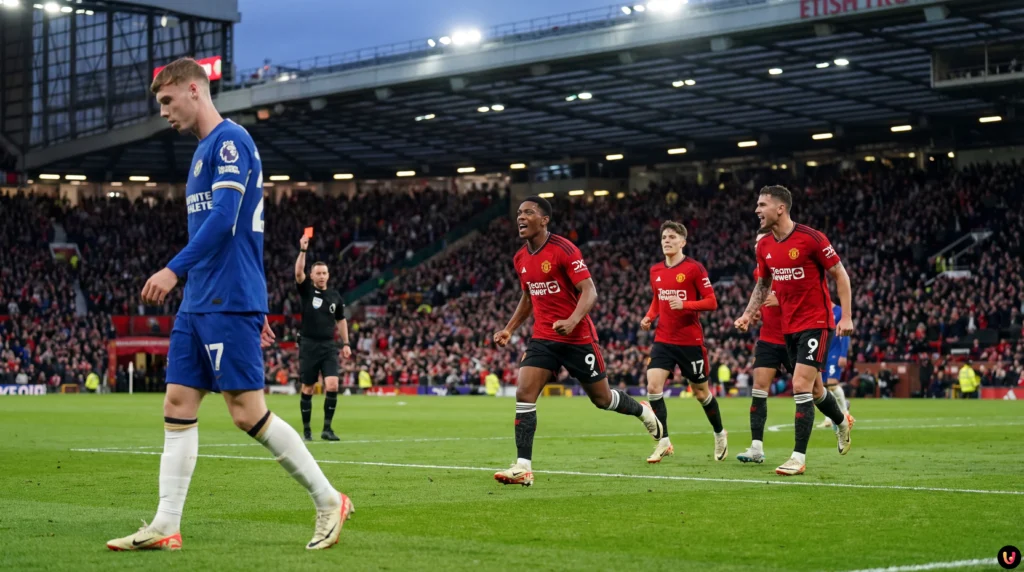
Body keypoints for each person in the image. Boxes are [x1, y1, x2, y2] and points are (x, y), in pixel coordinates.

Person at [107, 58, 352, 552]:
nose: (164, 112)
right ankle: (165, 524)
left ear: (193, 90)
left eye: (167, 101)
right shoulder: (201, 152)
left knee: (246, 413)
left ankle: (329, 499)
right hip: (200, 301)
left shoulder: (231, 141)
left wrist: (174, 269)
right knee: (177, 405)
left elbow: (225, 219)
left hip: (225, 297)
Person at [492, 196, 663, 487]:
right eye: (519, 213)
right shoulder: (520, 258)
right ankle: (523, 467)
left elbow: (590, 291)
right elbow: (528, 295)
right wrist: (510, 328)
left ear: (544, 220)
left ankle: (642, 410)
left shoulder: (564, 249)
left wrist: (572, 321)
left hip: (578, 338)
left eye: (529, 212)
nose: (521, 217)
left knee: (602, 399)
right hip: (544, 337)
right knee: (524, 393)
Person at [734, 185, 854, 477]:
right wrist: (748, 314)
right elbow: (763, 285)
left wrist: (847, 317)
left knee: (800, 385)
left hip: (816, 322)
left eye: (762, 205)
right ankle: (841, 421)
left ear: (780, 208)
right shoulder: (764, 247)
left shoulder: (811, 238)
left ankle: (798, 457)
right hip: (788, 328)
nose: (757, 210)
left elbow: (840, 273)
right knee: (814, 390)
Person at [639, 221, 726, 464]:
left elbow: (711, 302)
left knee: (701, 393)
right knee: (653, 387)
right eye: (664, 237)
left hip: (690, 341)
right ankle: (664, 441)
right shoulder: (655, 270)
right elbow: (658, 299)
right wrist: (649, 316)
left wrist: (686, 304)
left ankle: (720, 433)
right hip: (663, 339)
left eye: (672, 237)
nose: (666, 240)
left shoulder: (694, 269)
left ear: (683, 242)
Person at [736, 230, 792, 465]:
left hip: (794, 336)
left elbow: (809, 297)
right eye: (757, 244)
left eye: (764, 243)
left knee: (816, 391)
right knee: (759, 387)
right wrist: (753, 314)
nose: (760, 248)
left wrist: (783, 300)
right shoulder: (759, 271)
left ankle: (840, 417)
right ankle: (756, 448)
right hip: (768, 337)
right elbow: (760, 295)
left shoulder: (791, 265)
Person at [294, 234, 351, 441]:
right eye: (318, 273)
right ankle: (307, 429)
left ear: (328, 275)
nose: (321, 276)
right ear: (312, 275)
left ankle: (327, 429)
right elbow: (298, 272)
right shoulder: (306, 290)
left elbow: (341, 320)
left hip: (328, 345)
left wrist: (346, 343)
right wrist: (303, 250)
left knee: (333, 384)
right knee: (308, 387)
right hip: (308, 345)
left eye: (324, 273)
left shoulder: (335, 296)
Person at [819, 303, 854, 428]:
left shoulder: (839, 311)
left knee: (832, 385)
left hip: (835, 353)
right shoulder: (821, 310)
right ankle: (828, 418)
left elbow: (844, 334)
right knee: (822, 388)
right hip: (822, 353)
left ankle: (846, 414)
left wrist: (843, 354)